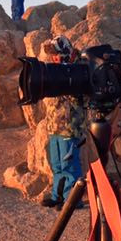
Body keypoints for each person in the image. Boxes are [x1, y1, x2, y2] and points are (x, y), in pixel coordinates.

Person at [40, 36, 85, 209]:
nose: (54, 59)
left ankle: (72, 200)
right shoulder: (55, 69)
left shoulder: (79, 68)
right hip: (55, 125)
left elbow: (81, 98)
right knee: (57, 164)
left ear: (66, 53)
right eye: (52, 56)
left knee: (70, 164)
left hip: (70, 126)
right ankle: (57, 196)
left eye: (57, 55)